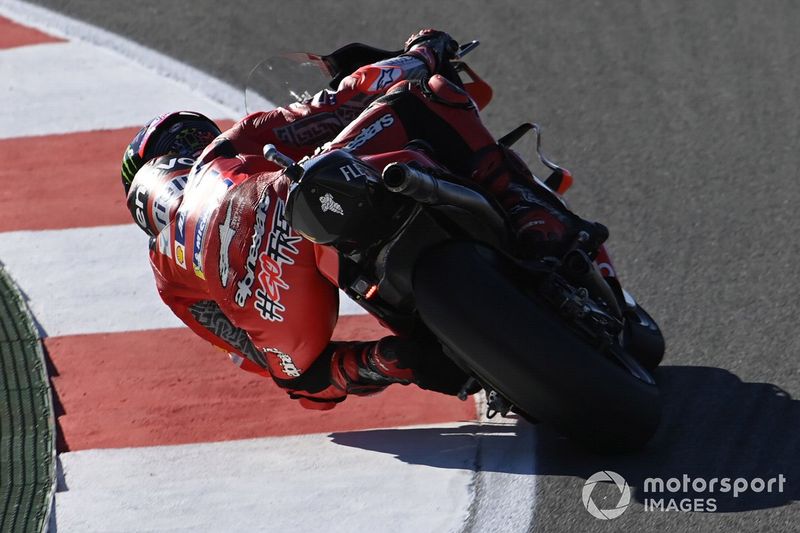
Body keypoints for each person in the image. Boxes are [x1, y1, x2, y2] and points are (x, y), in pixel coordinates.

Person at [120, 30, 606, 410]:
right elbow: (338, 104)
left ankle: (384, 362)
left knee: (302, 376)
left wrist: (344, 368)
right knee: (420, 97)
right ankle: (528, 210)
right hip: (280, 202)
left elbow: (249, 352)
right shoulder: (231, 147)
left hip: (274, 300)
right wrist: (424, 50)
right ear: (191, 145)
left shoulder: (169, 270)